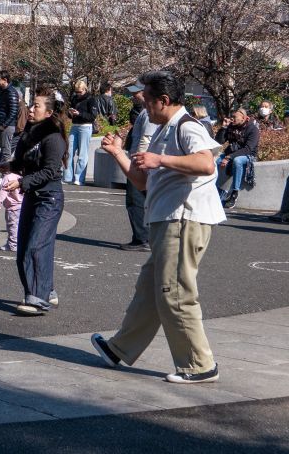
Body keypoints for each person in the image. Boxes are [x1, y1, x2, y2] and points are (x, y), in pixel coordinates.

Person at [92, 70, 224, 384]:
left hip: (184, 219)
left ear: (164, 101)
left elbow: (206, 163)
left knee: (174, 292)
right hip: (168, 220)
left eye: (148, 100)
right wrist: (118, 153)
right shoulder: (165, 129)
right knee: (150, 289)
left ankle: (199, 365)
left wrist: (160, 160)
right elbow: (142, 183)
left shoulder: (187, 126)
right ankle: (119, 349)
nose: (143, 105)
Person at [0, 90, 67, 316]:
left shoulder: (54, 137)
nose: (31, 109)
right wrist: (10, 167)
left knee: (37, 245)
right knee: (24, 248)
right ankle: (47, 290)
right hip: (32, 196)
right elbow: (24, 162)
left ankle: (38, 299)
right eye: (31, 105)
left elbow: (50, 171)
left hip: (49, 198)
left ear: (49, 112)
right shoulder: (29, 133)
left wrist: (23, 182)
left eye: (36, 106)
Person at [118, 81, 158, 252]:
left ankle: (142, 238)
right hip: (140, 161)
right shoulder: (144, 112)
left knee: (136, 200)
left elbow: (146, 139)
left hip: (140, 162)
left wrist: (138, 162)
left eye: (137, 92)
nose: (134, 95)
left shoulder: (148, 113)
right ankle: (142, 237)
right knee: (139, 200)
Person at [214, 108, 259, 209]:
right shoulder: (230, 126)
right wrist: (224, 127)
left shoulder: (252, 129)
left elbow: (248, 149)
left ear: (243, 118)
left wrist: (229, 157)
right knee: (215, 160)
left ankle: (234, 193)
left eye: (235, 117)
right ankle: (216, 189)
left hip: (248, 155)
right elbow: (218, 142)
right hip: (231, 153)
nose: (232, 119)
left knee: (237, 161)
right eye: (232, 117)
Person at [63, 80, 99, 186]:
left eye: (80, 92)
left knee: (82, 153)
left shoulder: (91, 99)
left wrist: (79, 114)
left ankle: (79, 177)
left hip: (85, 126)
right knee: (68, 152)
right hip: (75, 125)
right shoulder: (74, 99)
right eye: (77, 92)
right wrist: (70, 113)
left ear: (85, 89)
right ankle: (68, 177)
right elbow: (70, 115)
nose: (78, 94)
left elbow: (92, 116)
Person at [0, 172, 23, 252]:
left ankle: (13, 245)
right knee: (19, 226)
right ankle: (16, 243)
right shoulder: (20, 177)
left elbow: (3, 191)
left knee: (12, 227)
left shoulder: (8, 177)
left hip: (12, 207)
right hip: (22, 205)